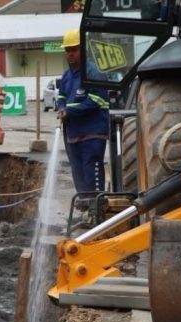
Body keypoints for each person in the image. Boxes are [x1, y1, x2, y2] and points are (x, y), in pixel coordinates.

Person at [56, 27, 110, 208]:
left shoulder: (93, 72)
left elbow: (97, 100)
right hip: (73, 133)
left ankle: (97, 206)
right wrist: (61, 107)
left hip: (92, 132)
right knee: (77, 171)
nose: (70, 54)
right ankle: (85, 206)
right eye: (67, 50)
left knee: (91, 168)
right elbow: (61, 97)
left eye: (74, 50)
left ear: (83, 50)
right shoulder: (67, 75)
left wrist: (70, 112)